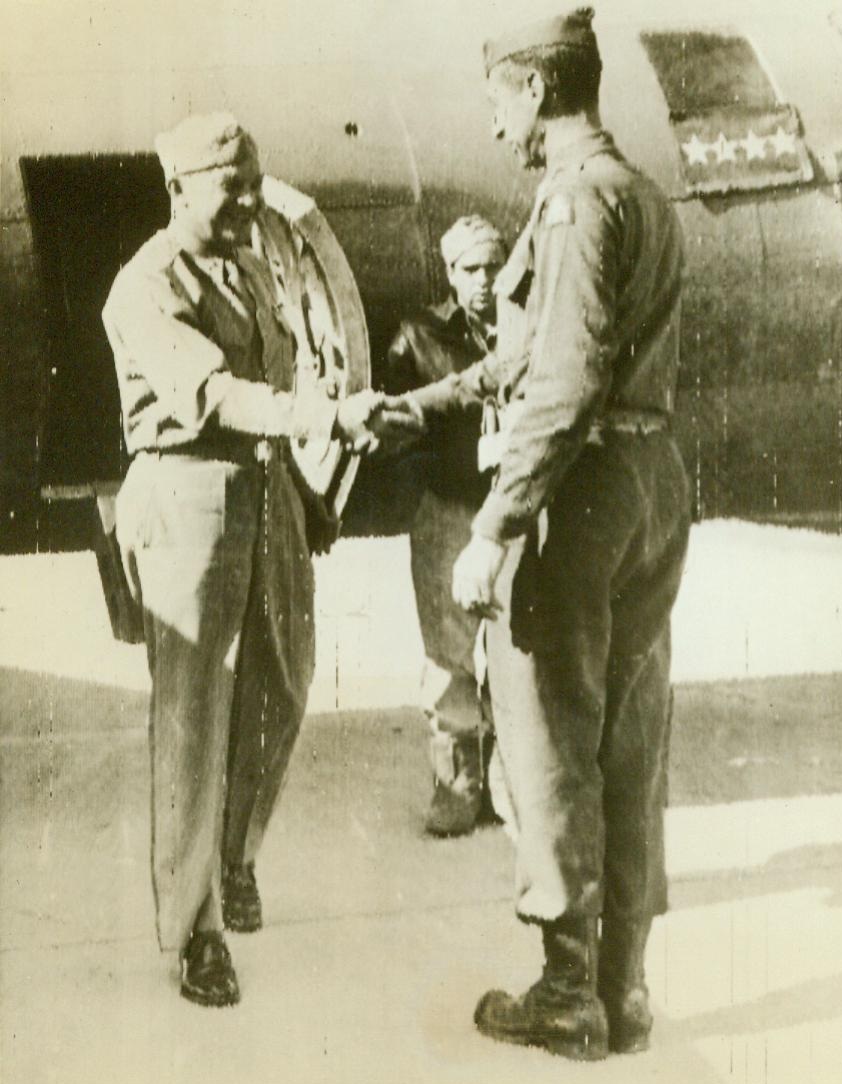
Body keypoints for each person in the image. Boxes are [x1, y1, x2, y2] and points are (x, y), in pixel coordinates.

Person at [394, 7, 690, 1060]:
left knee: (551, 738)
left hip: (577, 493)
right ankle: (626, 988)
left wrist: (492, 523)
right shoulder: (638, 192)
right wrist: (424, 402)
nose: (491, 129)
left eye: (495, 103)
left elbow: (559, 386)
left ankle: (567, 995)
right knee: (629, 732)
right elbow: (545, 356)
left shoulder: (568, 205)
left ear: (532, 89)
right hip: (649, 477)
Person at [102, 112, 415, 1008]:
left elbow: (281, 380)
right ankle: (195, 928)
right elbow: (210, 392)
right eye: (229, 187)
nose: (248, 202)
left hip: (268, 493)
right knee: (195, 718)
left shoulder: (243, 268)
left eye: (253, 182)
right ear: (179, 189)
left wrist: (314, 480)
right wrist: (324, 417)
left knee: (283, 682)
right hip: (188, 498)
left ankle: (235, 856)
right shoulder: (146, 285)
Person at [384, 216, 507, 836]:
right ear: (450, 274)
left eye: (493, 266)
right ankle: (458, 782)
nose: (483, 282)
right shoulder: (418, 338)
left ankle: (514, 782)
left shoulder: (526, 325)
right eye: (470, 270)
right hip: (450, 508)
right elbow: (398, 437)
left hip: (513, 511)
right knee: (449, 652)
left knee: (520, 648)